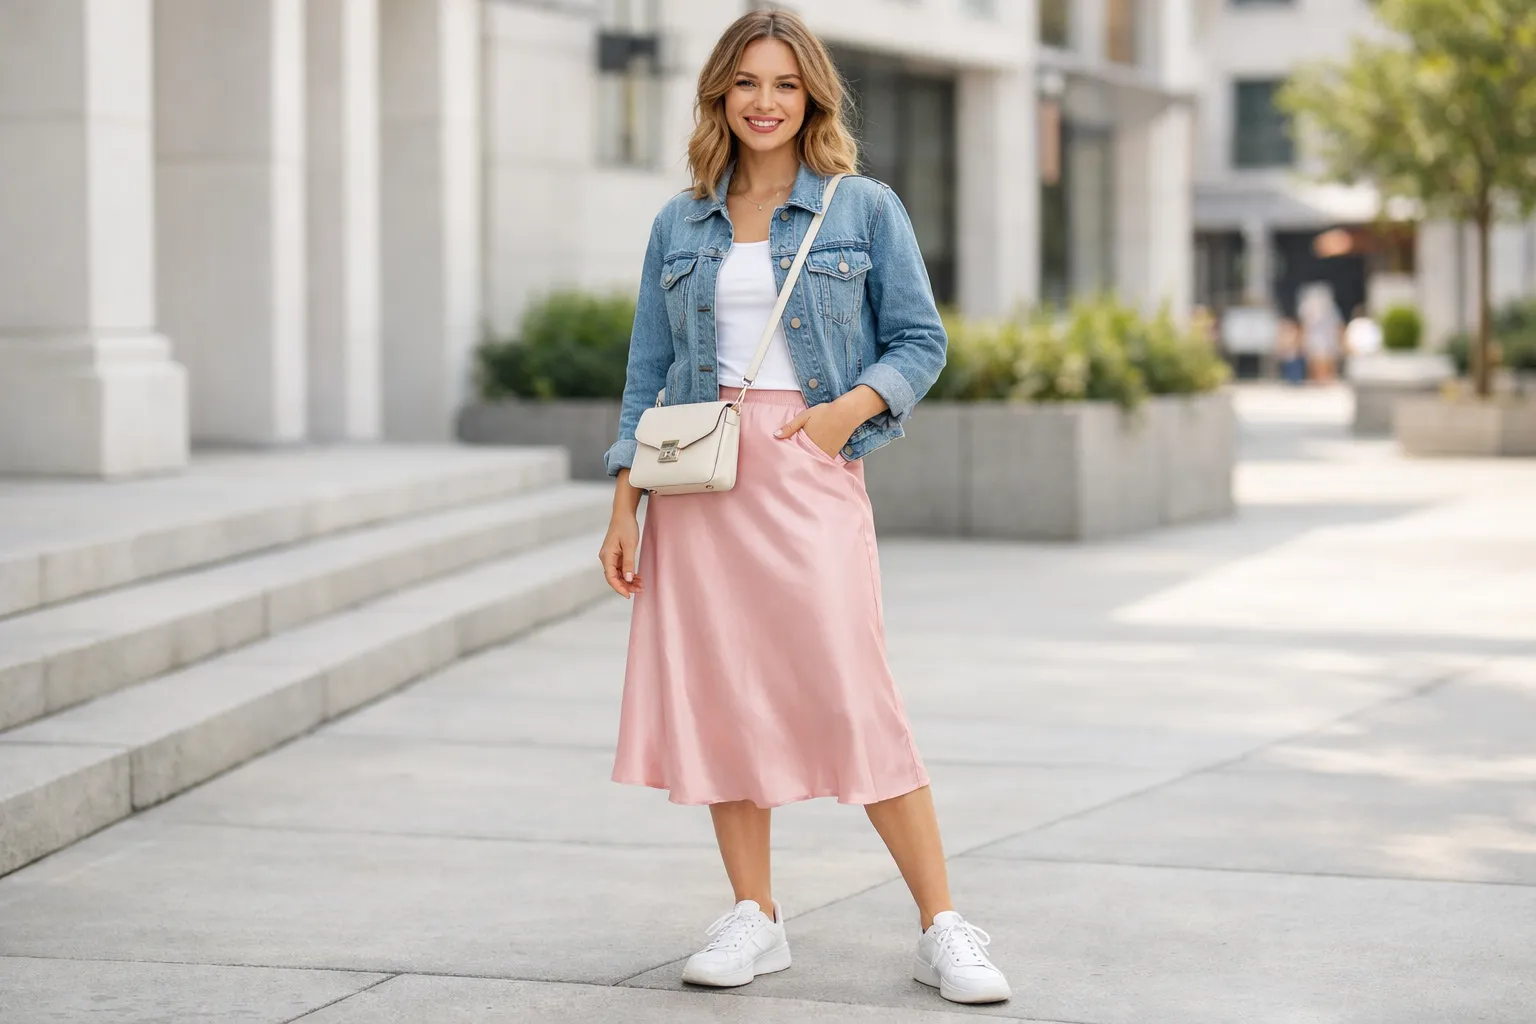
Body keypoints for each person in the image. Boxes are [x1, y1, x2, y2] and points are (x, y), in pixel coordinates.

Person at [596, 8, 1010, 1007]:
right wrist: (625, 498)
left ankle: (943, 924)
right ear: (719, 98)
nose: (765, 102)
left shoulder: (861, 208)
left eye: (784, 84)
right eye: (746, 84)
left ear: (812, 95)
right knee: (723, 697)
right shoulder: (679, 220)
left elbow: (920, 341)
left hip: (808, 473)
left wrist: (842, 417)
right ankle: (755, 914)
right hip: (700, 486)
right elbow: (647, 370)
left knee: (850, 689)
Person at [1298, 282, 1342, 384]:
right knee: (1316, 360)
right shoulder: (1308, 308)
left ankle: (1326, 380)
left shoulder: (1330, 308)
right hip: (1316, 340)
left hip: (1326, 340)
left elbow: (1336, 325)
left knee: (1326, 360)